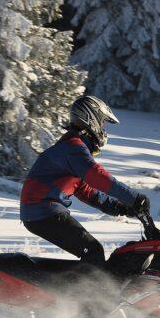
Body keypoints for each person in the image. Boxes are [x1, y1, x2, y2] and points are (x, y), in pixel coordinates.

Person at [20, 95, 150, 267]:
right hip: (42, 210)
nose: (104, 129)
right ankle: (83, 293)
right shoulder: (73, 148)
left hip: (42, 211)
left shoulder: (72, 147)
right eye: (103, 123)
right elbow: (98, 176)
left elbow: (86, 191)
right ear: (91, 119)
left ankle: (77, 288)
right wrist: (134, 198)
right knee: (93, 251)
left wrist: (121, 208)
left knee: (91, 251)